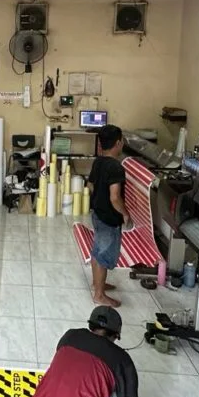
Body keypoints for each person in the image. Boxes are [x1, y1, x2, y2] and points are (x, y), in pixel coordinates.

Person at [28, 306, 139, 397]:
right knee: (121, 388)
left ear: (91, 326)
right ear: (116, 335)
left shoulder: (70, 336)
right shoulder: (122, 360)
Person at [87, 125, 129, 307]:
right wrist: (125, 214)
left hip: (97, 213)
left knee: (97, 249)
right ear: (118, 143)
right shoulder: (116, 167)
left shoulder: (98, 162)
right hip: (109, 217)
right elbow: (115, 197)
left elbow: (90, 186)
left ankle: (98, 283)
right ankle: (99, 295)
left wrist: (99, 199)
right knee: (103, 255)